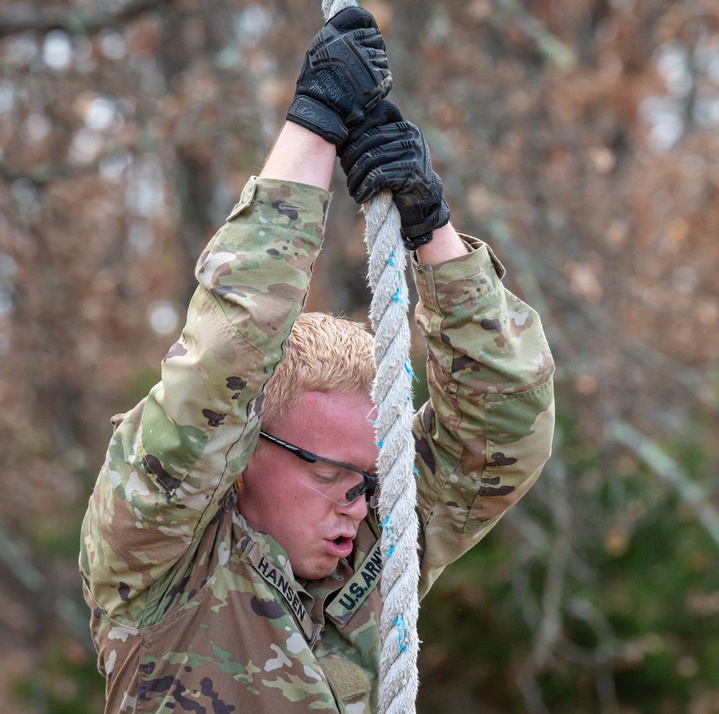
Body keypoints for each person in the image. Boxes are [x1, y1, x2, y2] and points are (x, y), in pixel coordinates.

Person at [79, 8, 555, 713]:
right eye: (331, 474)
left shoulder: (373, 535)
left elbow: (507, 421)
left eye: (366, 479)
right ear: (243, 451)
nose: (357, 505)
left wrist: (433, 233)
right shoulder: (156, 558)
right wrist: (316, 121)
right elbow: (224, 360)